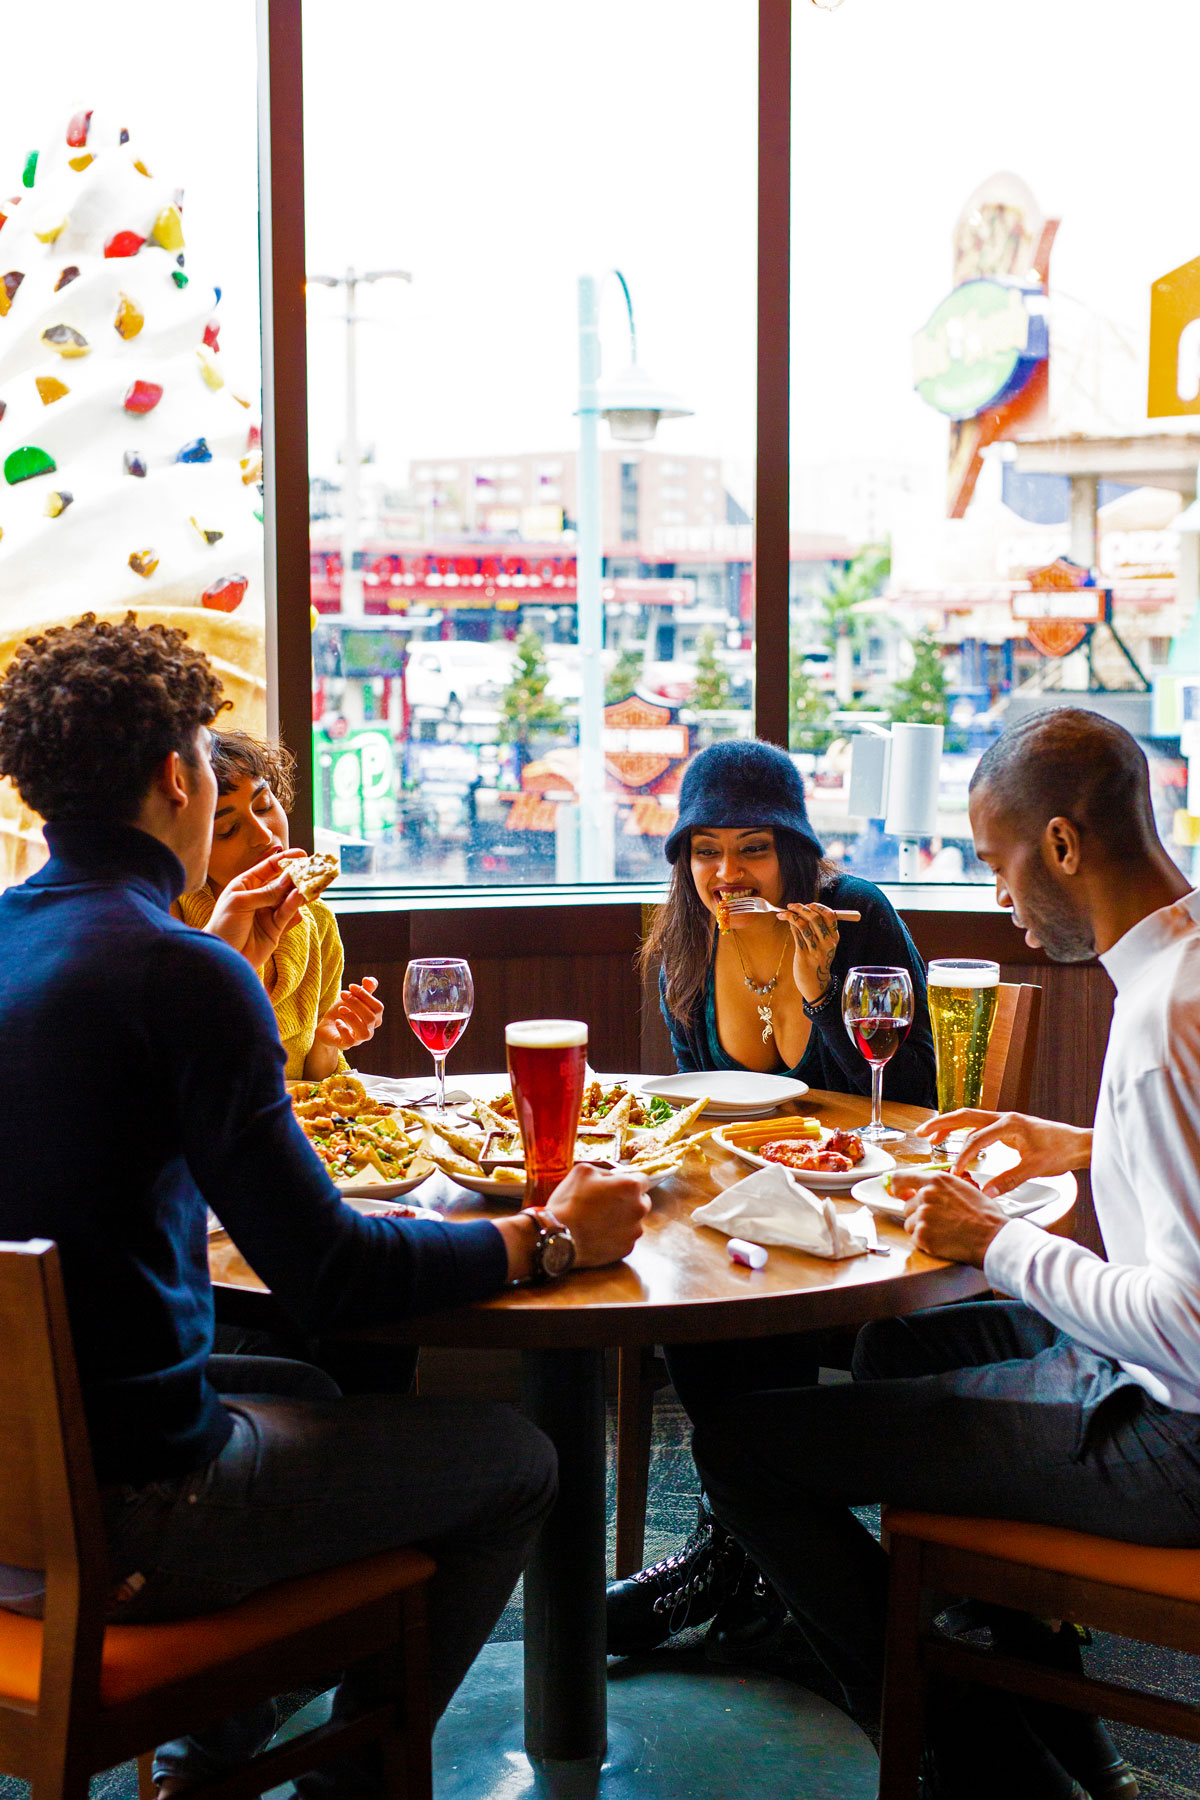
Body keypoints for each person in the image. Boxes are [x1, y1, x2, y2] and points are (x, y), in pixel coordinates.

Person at [0, 614, 650, 1800]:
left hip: (14, 1493)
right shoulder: (178, 971)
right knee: (516, 1458)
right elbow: (336, 1276)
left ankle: (213, 1759)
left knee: (303, 1391)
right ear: (176, 775)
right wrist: (547, 1234)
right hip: (139, 1513)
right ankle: (341, 1782)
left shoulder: (18, 938)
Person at [692, 707, 1200, 1799]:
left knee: (743, 1451)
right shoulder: (1183, 968)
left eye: (998, 864)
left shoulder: (1163, 1022)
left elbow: (1189, 1333)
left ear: (1062, 845)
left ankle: (978, 1763)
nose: (1000, 896)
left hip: (1175, 1436)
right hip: (1161, 1392)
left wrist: (996, 1239)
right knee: (898, 1345)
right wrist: (1082, 1140)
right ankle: (1048, 1718)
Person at [607, 738, 937, 1658]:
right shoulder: (682, 935)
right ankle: (746, 1553)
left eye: (751, 848)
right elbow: (703, 1106)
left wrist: (820, 993)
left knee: (736, 1323)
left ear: (792, 851)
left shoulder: (855, 913)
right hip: (747, 1201)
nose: (725, 872)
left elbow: (909, 1093)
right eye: (704, 850)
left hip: (858, 1210)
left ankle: (750, 1554)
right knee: (684, 1295)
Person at [176, 729, 382, 1081]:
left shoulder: (316, 921)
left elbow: (318, 1088)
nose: (263, 834)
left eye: (264, 806)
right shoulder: (172, 922)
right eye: (227, 829)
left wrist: (327, 1043)